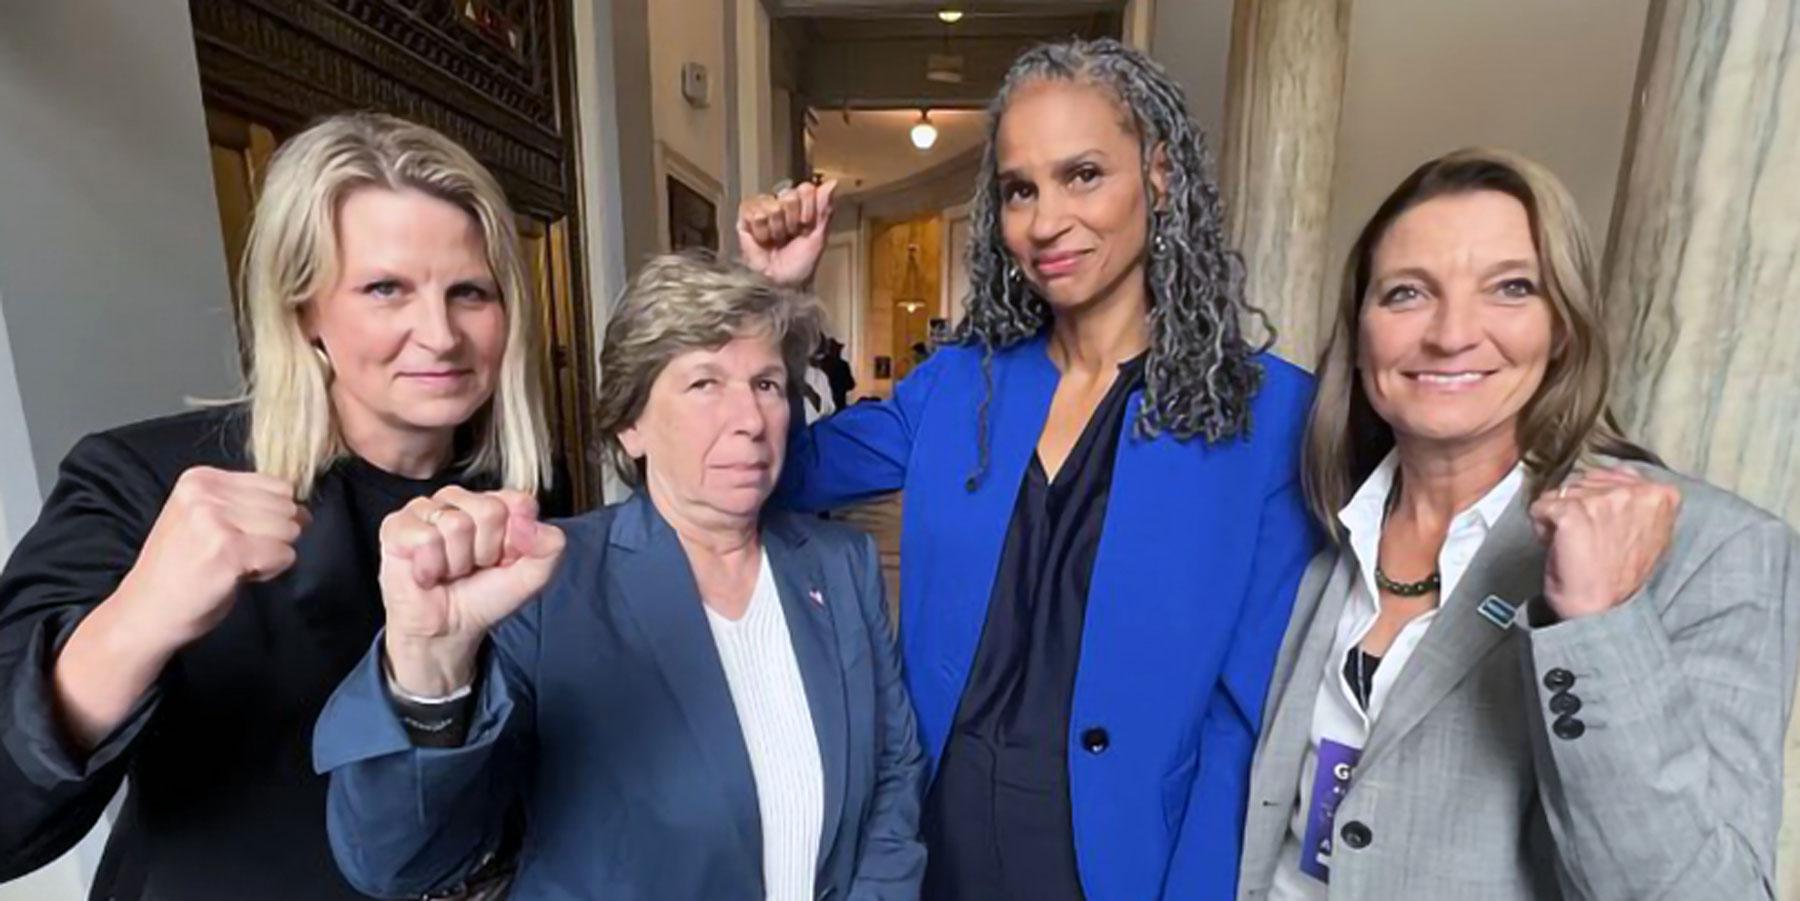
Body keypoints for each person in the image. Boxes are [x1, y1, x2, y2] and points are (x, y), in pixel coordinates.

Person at [739, 38, 1319, 899]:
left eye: (1083, 174)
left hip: (1119, 855)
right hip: (937, 836)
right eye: (1020, 188)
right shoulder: (960, 384)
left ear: (1159, 176)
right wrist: (773, 304)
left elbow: (1245, 719)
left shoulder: (1272, 417)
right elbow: (774, 473)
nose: (1045, 222)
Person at [0, 112, 557, 899]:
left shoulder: (525, 501)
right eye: (385, 288)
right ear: (305, 311)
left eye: (469, 291)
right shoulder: (145, 480)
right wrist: (140, 618)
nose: (439, 335)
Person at [1237, 148, 1800, 900]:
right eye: (1407, 293)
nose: (1451, 334)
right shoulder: (1316, 522)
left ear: (1563, 325)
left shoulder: (1716, 549)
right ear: (1361, 328)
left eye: (1510, 288)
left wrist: (1600, 626)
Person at [313, 254, 927, 899]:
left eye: (768, 384)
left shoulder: (839, 562)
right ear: (631, 424)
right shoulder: (548, 582)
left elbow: (893, 770)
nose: (749, 419)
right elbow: (400, 862)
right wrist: (429, 674)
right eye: (705, 384)